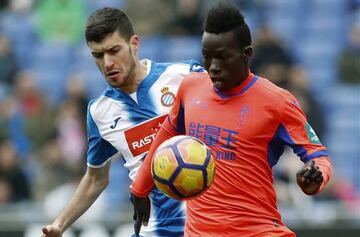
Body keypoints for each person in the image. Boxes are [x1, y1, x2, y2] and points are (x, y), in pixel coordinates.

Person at [131, 3, 333, 237]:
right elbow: (167, 134)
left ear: (246, 54)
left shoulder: (277, 101)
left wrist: (315, 179)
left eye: (223, 57)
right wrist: (140, 188)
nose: (213, 67)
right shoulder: (190, 87)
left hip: (258, 230)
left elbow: (318, 156)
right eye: (207, 57)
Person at [40, 7, 203, 237]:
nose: (107, 63)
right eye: (98, 55)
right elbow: (96, 179)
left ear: (134, 44)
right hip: (153, 229)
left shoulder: (185, 75)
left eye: (114, 50)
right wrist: (59, 224)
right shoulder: (100, 112)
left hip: (206, 224)